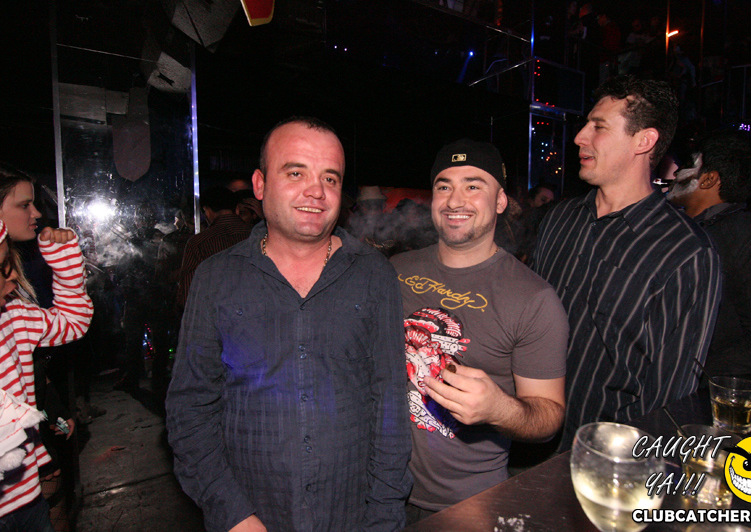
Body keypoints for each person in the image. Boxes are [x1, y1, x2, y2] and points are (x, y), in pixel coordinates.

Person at [166, 117, 412, 532]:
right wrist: (232, 514)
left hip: (351, 517)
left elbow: (390, 407)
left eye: (330, 178)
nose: (316, 191)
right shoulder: (216, 277)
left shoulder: (375, 275)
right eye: (296, 173)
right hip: (250, 516)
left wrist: (384, 517)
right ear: (260, 185)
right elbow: (189, 408)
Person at [531, 76, 722, 450]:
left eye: (598, 126)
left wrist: (628, 464)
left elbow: (670, 392)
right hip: (527, 441)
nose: (580, 137)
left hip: (609, 456)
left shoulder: (686, 252)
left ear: (644, 141)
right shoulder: (559, 219)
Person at [391, 139, 568, 522]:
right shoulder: (396, 270)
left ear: (500, 201)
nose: (455, 200)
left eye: (473, 186)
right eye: (444, 186)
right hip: (381, 491)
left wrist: (498, 408)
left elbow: (549, 417)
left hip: (466, 505)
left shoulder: (534, 298)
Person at [668, 129, 751, 374]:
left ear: (708, 179)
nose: (676, 173)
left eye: (686, 166)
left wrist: (684, 373)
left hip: (700, 392)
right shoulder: (670, 229)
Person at [0, 220, 93, 531]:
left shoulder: (14, 317)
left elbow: (73, 321)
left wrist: (66, 266)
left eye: (9, 262)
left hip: (27, 498)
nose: (13, 275)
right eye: (2, 266)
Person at [176, 186, 251, 308]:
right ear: (237, 209)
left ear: (207, 210)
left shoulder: (198, 243)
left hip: (215, 314)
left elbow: (188, 295)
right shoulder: (258, 236)